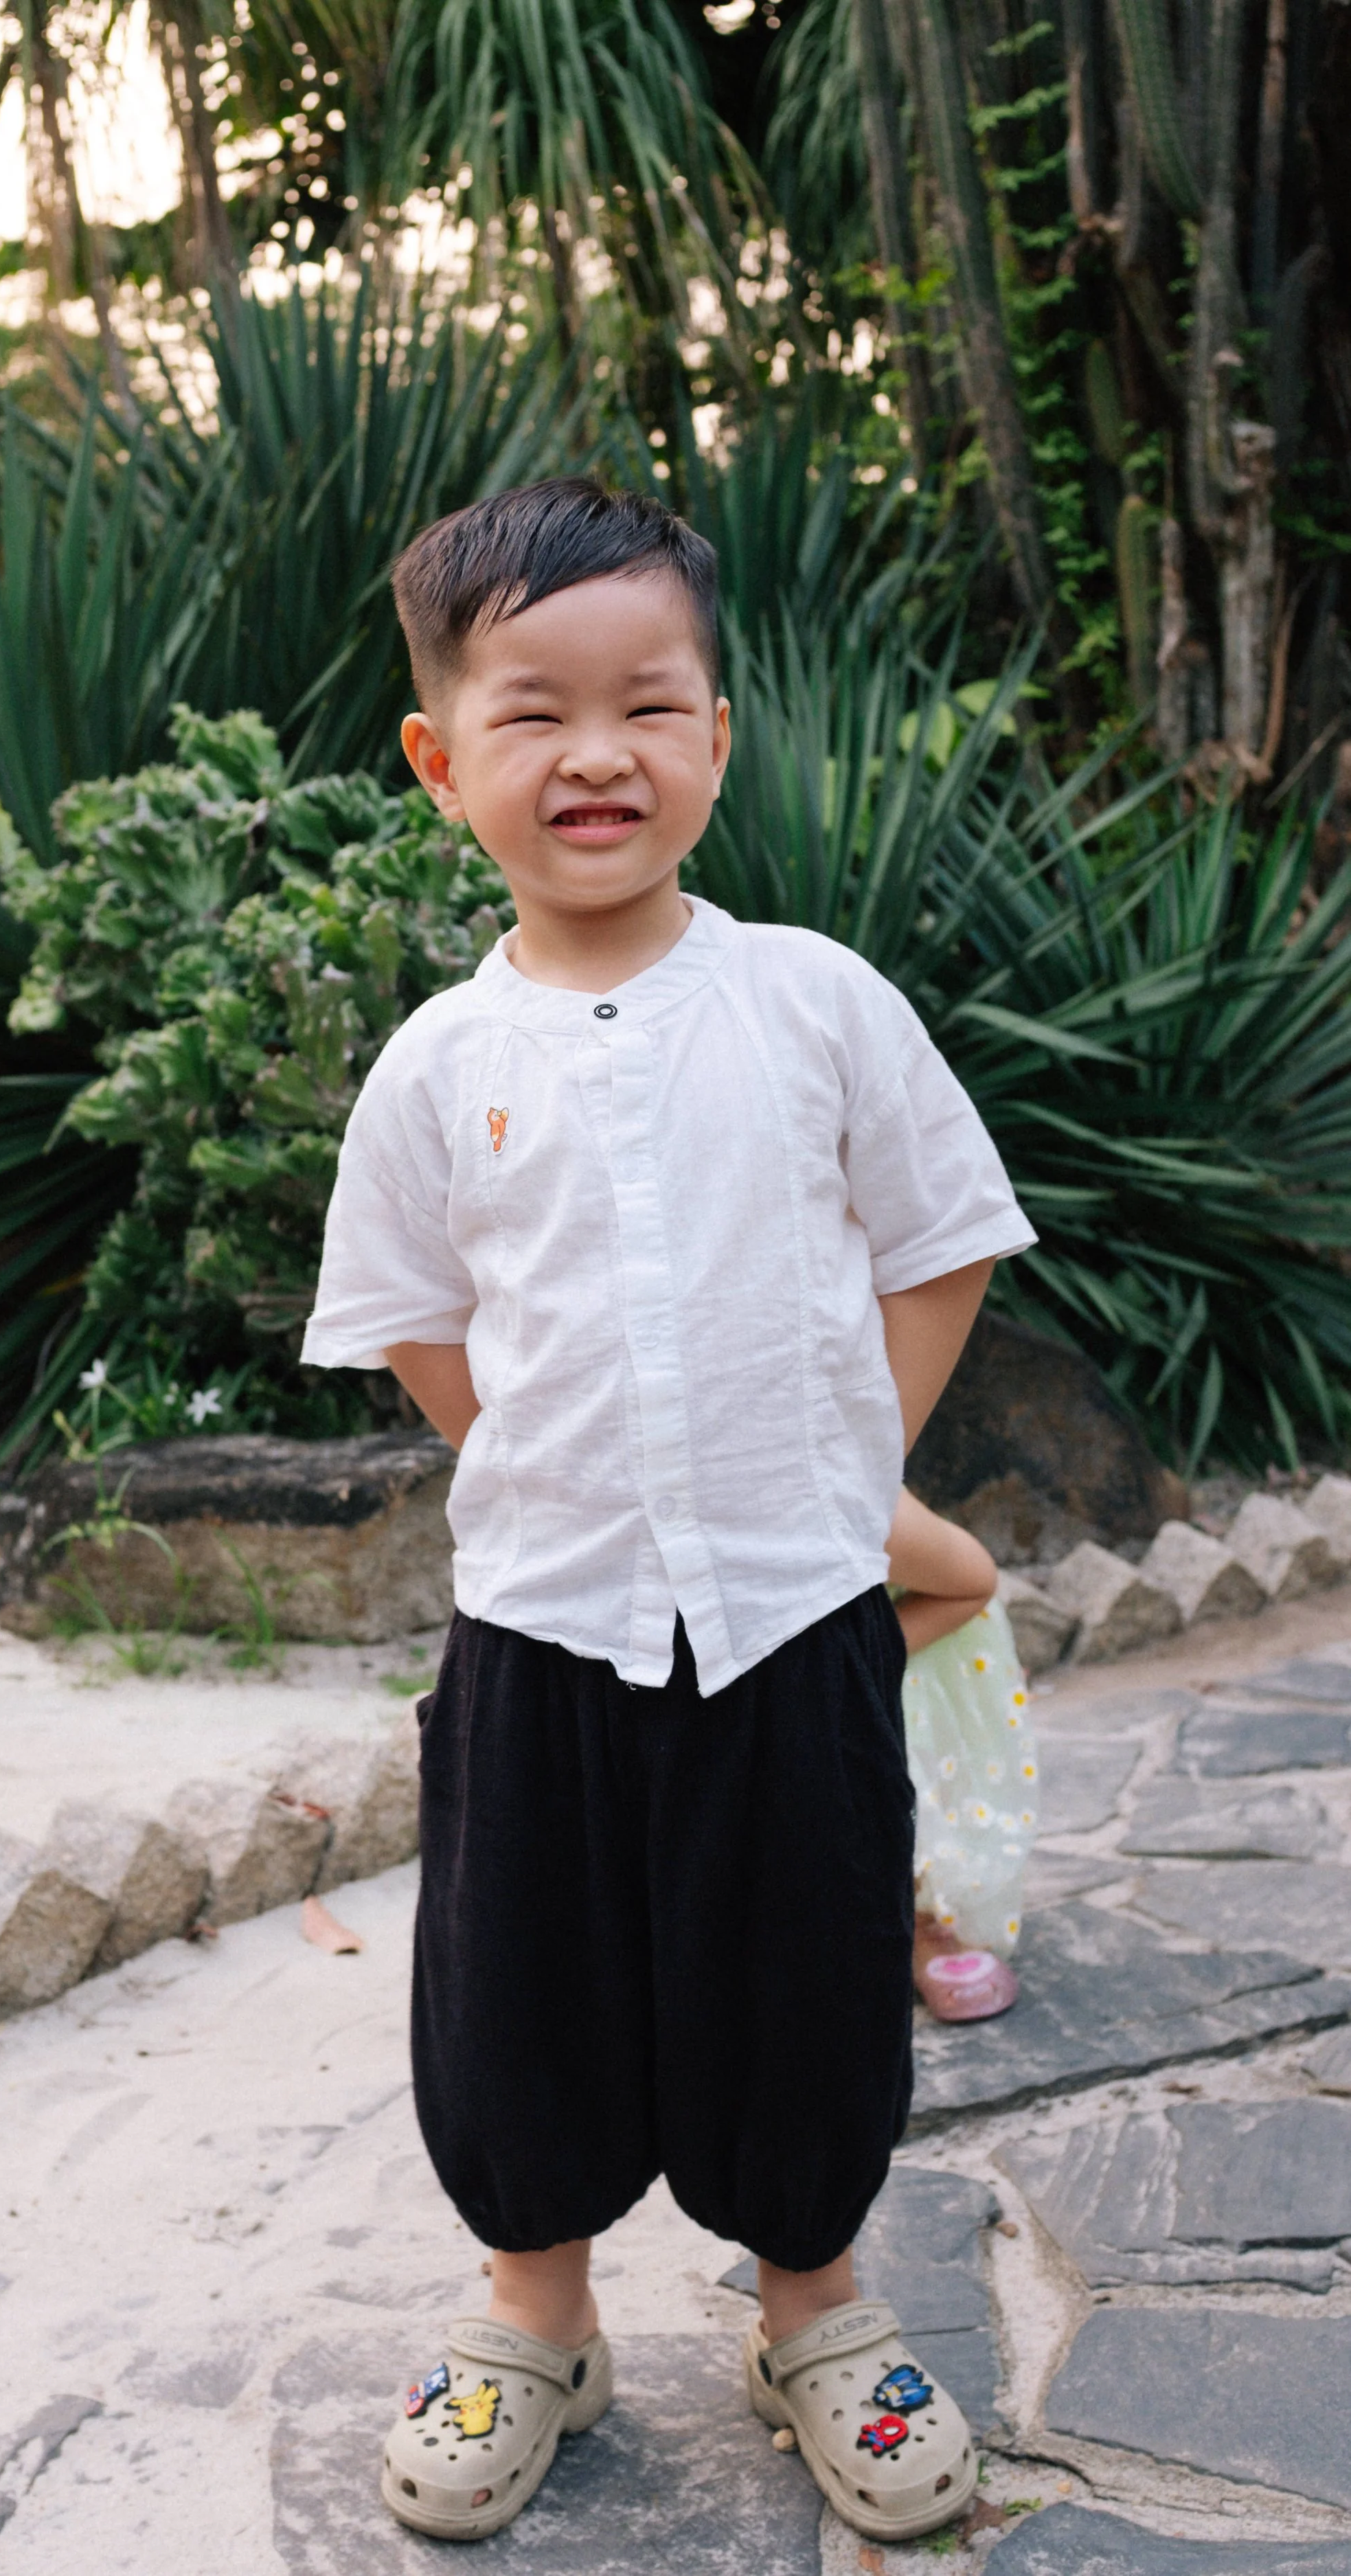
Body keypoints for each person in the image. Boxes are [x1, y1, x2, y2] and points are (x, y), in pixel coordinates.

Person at [299, 477, 1036, 2549]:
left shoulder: (809, 998)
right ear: (444, 763)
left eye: (648, 703)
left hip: (793, 1617)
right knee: (515, 1982)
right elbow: (422, 1327)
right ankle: (536, 2305)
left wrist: (839, 1456)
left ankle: (812, 2298)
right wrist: (541, 1460)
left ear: (715, 735)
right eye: (531, 712)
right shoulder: (441, 1061)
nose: (595, 752)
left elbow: (939, 1238)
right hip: (539, 1620)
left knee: (799, 1967)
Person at [887, 1489, 1039, 2021]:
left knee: (910, 1760)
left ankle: (926, 1917)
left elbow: (971, 1581)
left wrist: (844, 1664)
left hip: (907, 1649)